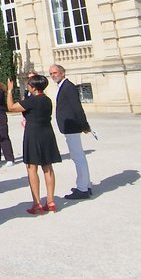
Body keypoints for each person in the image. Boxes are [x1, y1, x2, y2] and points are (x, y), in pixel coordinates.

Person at [7, 74, 62, 214]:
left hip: (33, 134)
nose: (28, 87)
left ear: (34, 87)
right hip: (47, 133)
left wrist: (9, 91)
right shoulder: (47, 100)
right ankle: (50, 201)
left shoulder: (32, 100)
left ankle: (37, 202)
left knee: (32, 167)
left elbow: (11, 107)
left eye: (29, 85)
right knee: (47, 167)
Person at [49, 64, 93, 200]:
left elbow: (77, 108)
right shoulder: (62, 86)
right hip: (69, 126)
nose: (53, 75)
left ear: (62, 73)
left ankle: (83, 189)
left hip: (73, 126)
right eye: (51, 74)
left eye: (55, 73)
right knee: (78, 156)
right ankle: (85, 184)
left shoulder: (68, 86)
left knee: (78, 157)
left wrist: (84, 125)